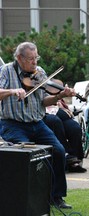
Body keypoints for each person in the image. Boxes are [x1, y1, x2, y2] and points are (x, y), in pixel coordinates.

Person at [0, 42, 75, 209]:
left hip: (37, 123)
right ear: (19, 58)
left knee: (59, 151)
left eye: (36, 58)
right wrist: (12, 91)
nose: (35, 62)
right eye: (30, 59)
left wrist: (60, 95)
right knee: (25, 157)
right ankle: (24, 199)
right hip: (13, 124)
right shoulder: (7, 71)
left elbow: (44, 100)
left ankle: (56, 197)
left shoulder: (39, 72)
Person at [44, 99, 87, 173]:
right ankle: (66, 155)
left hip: (58, 110)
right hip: (45, 113)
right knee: (55, 121)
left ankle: (76, 158)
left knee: (75, 128)